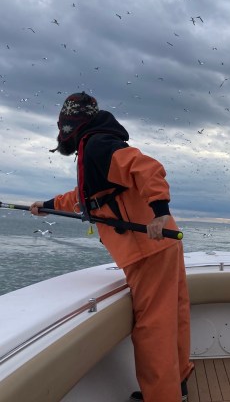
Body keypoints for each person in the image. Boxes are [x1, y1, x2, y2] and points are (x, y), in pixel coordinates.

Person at [30, 92, 193, 402]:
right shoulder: (95, 145)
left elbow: (148, 168)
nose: (61, 132)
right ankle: (178, 383)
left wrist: (160, 212)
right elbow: (87, 198)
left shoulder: (98, 146)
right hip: (161, 244)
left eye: (63, 125)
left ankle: (162, 397)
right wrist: (47, 205)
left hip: (148, 248)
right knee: (174, 313)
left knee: (152, 328)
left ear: (71, 124)